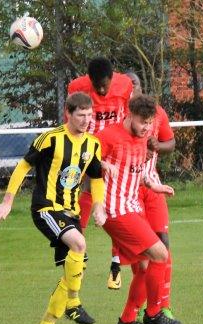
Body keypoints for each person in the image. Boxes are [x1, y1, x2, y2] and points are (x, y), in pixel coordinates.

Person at [0, 92, 107, 324]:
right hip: (46, 207)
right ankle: (73, 304)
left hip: (71, 211)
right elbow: (23, 166)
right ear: (69, 113)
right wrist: (7, 201)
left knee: (75, 270)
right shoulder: (50, 139)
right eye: (81, 115)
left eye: (89, 115)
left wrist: (99, 206)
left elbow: (96, 177)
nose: (86, 120)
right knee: (79, 244)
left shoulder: (92, 144)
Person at [97, 95, 183, 324]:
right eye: (143, 122)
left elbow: (137, 172)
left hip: (131, 206)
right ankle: (154, 313)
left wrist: (154, 185)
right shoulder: (108, 136)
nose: (147, 128)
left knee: (146, 266)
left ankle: (126, 320)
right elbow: (84, 161)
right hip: (115, 210)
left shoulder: (141, 139)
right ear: (130, 115)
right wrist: (103, 167)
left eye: (150, 123)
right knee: (160, 254)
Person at [69, 57, 134, 287]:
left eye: (105, 84)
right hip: (89, 144)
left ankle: (116, 263)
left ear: (112, 77)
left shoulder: (125, 84)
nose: (102, 89)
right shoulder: (77, 87)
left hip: (115, 146)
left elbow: (128, 116)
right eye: (97, 85)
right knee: (86, 188)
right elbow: (70, 119)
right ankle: (79, 250)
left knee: (117, 203)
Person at [120, 71, 177, 316]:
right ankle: (135, 311)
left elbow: (170, 143)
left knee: (163, 247)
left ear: (141, 87)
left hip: (153, 187)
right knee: (142, 259)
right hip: (129, 191)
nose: (132, 88)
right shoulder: (120, 118)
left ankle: (163, 307)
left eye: (136, 84)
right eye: (128, 85)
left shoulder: (157, 112)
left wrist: (157, 146)